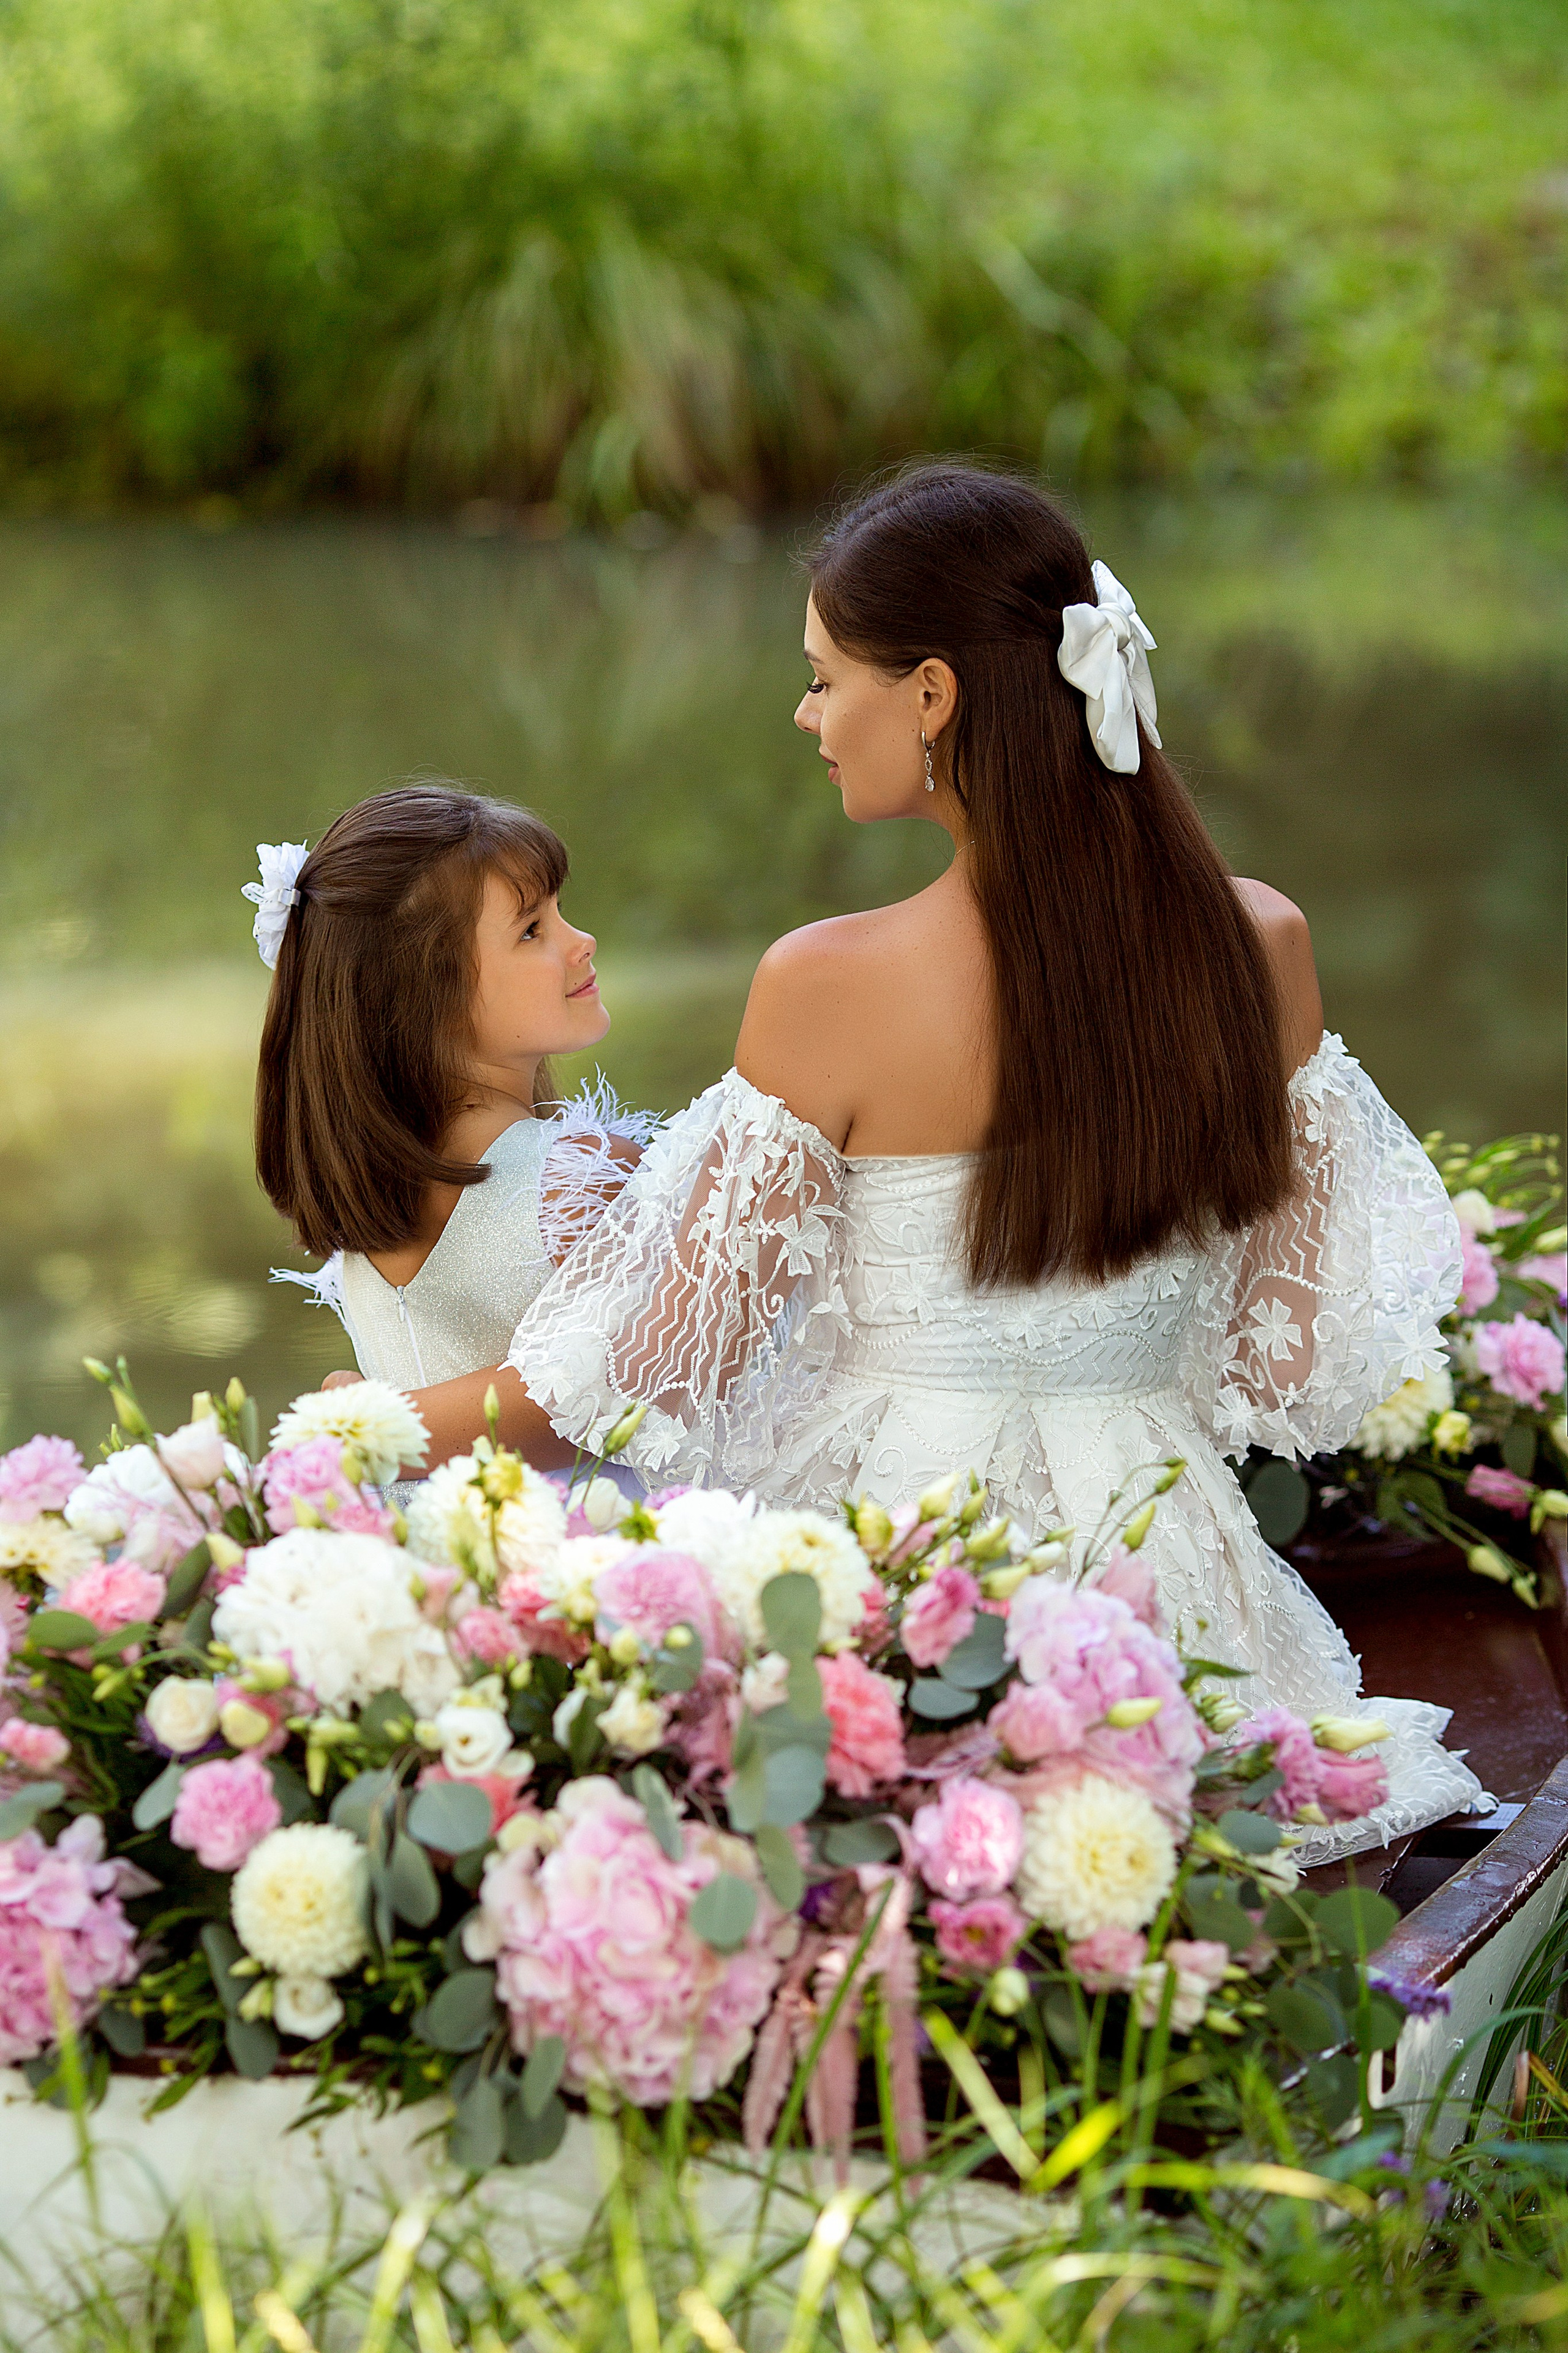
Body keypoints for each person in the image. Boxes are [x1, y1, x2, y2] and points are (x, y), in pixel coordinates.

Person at [389, 467, 1487, 1855]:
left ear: (928, 694)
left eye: (818, 676)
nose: (804, 715)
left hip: (899, 1555)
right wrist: (1107, 1355)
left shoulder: (826, 982)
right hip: (1161, 1570)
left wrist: (363, 1429)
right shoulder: (1256, 942)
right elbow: (1273, 1362)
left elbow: (658, 1353)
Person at [254, 783, 648, 1458]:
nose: (581, 941)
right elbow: (624, 1390)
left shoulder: (362, 1201)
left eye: (559, 911)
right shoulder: (579, 1179)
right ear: (430, 996)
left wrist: (356, 1420)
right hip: (577, 1545)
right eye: (532, 929)